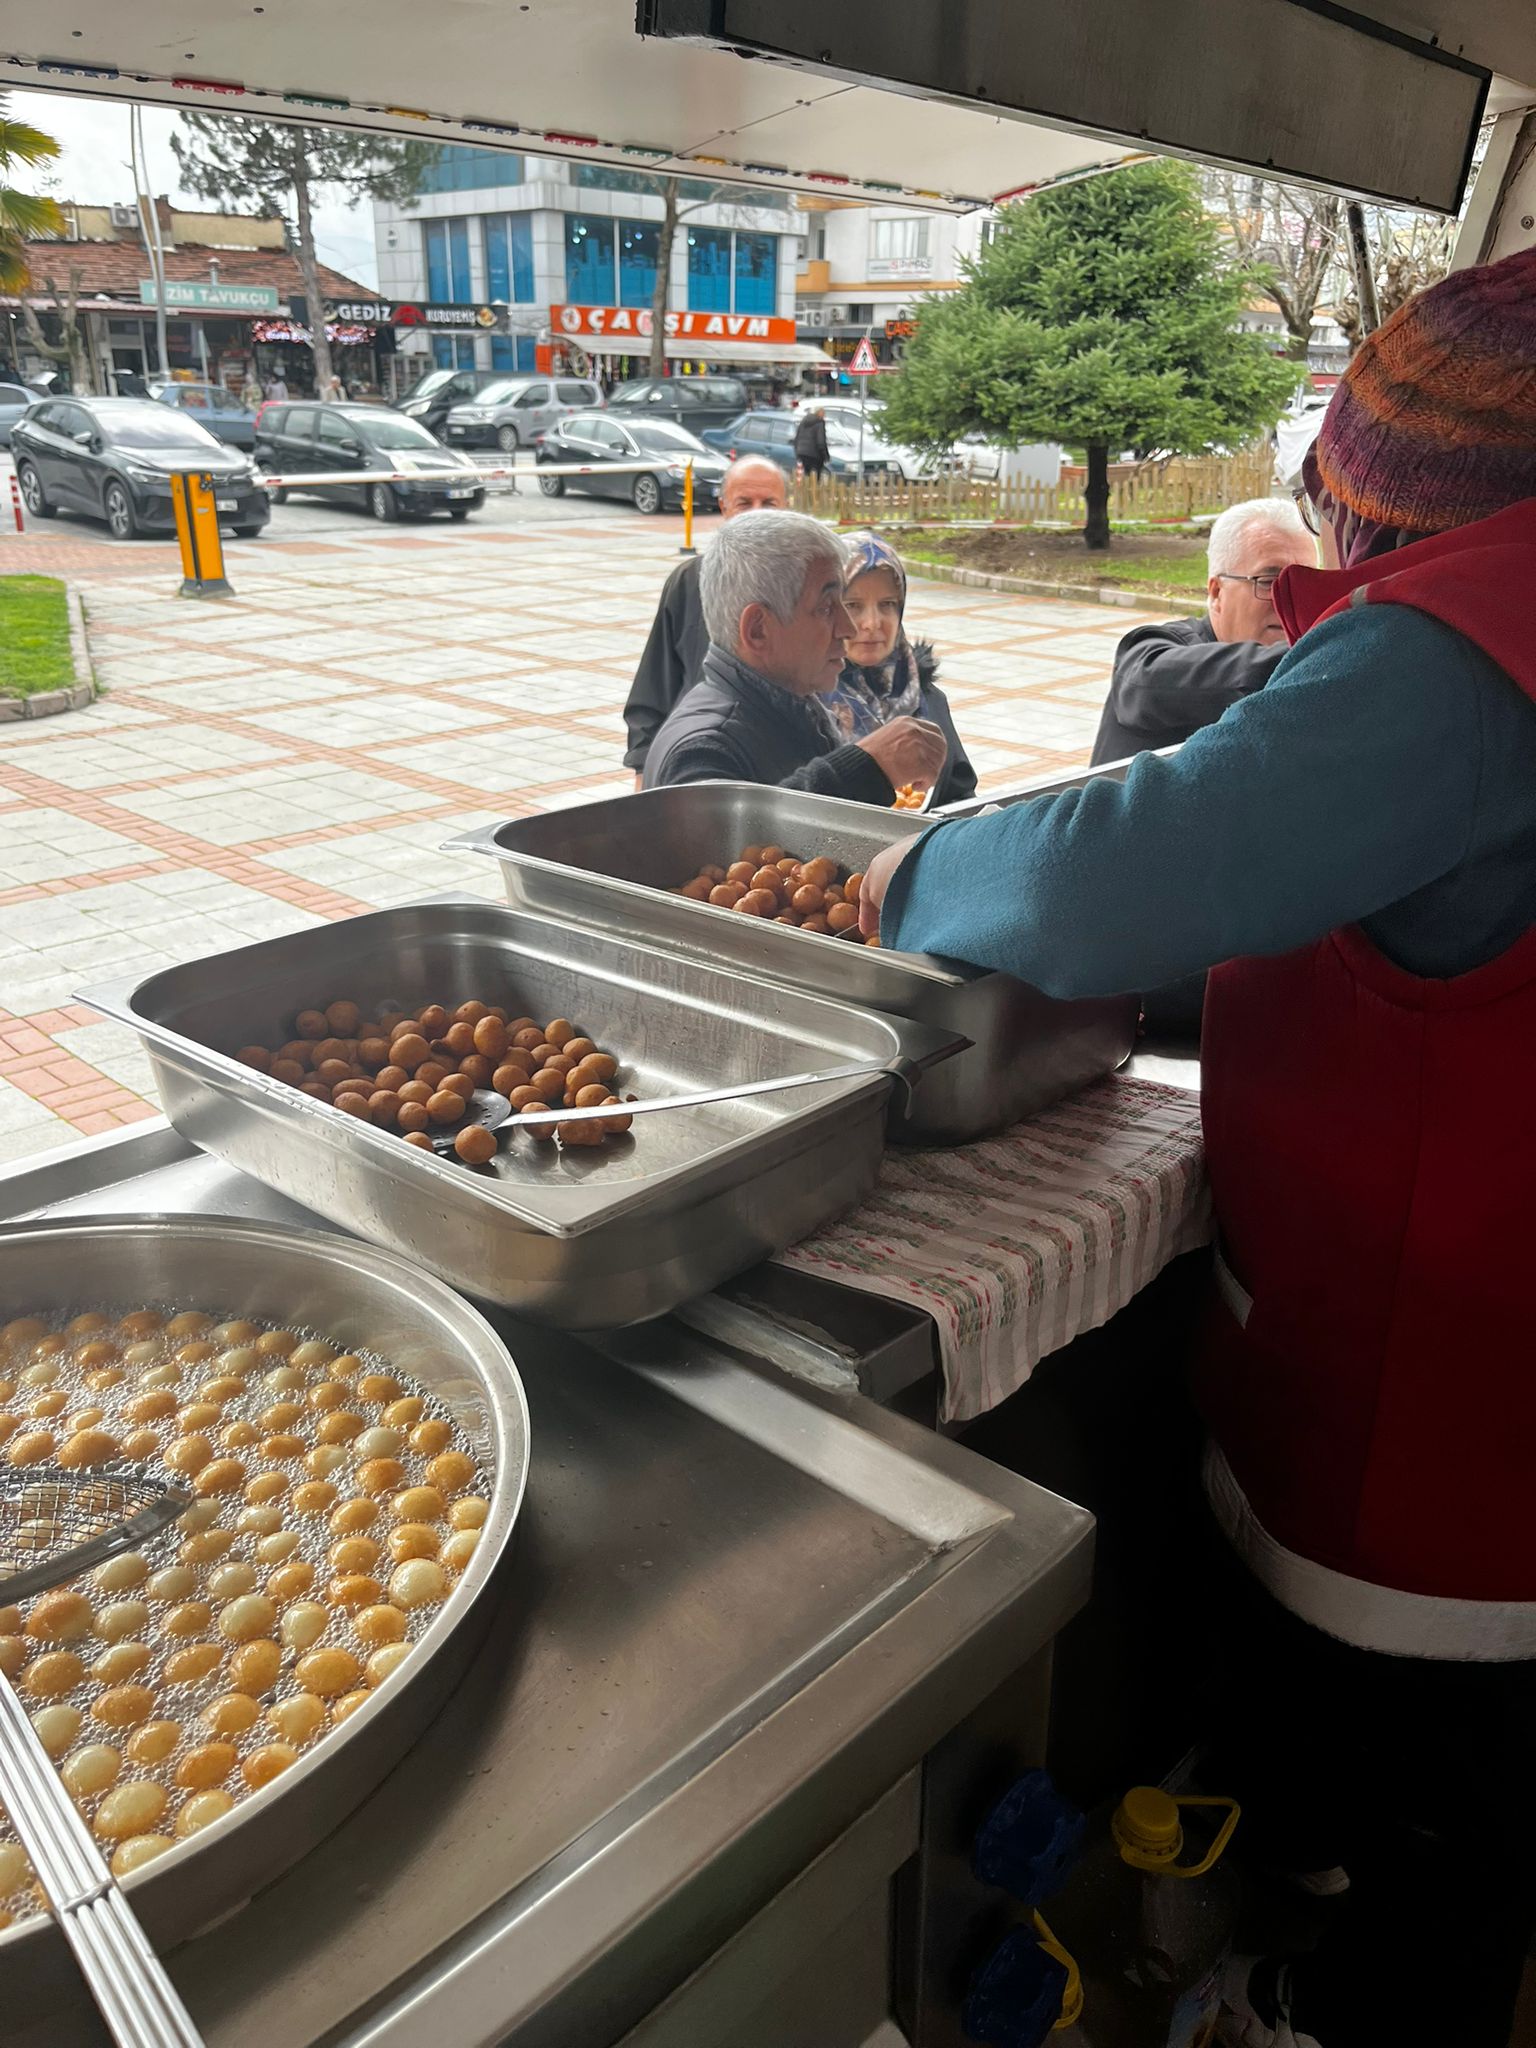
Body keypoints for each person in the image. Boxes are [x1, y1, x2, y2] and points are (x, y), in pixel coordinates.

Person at [857, 246, 1536, 2048]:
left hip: (1452, 1382)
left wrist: (908, 871)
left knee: (1442, 1812)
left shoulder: (1474, 644)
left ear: (1397, 496)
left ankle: (1336, 2005)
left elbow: (1109, 874)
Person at [644, 510, 948, 802]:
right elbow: (729, 844)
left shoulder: (795, 707)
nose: (848, 627)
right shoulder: (704, 748)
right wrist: (866, 767)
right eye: (827, 608)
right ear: (758, 630)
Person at [1091, 498, 1315, 764]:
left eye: (1307, 583)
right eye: (1268, 583)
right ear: (1217, 592)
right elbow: (1143, 679)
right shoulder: (1151, 652)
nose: (1291, 600)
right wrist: (1315, 661)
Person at [623, 456, 788, 779]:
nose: (757, 513)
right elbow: (653, 690)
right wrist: (643, 776)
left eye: (769, 502)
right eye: (744, 503)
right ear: (723, 507)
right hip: (695, 764)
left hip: (780, 769)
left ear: (787, 508)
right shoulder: (689, 581)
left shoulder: (809, 586)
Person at [827, 533, 977, 809]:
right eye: (852, 606)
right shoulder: (805, 705)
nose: (872, 623)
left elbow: (960, 793)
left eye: (887, 604)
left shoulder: (927, 698)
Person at [793, 406, 829, 479]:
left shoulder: (803, 422)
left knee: (803, 475)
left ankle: (803, 489)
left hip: (801, 453)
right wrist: (825, 456)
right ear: (819, 413)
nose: (824, 416)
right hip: (814, 455)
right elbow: (821, 442)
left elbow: (797, 438)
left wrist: (797, 452)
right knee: (815, 478)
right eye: (823, 413)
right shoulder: (819, 423)